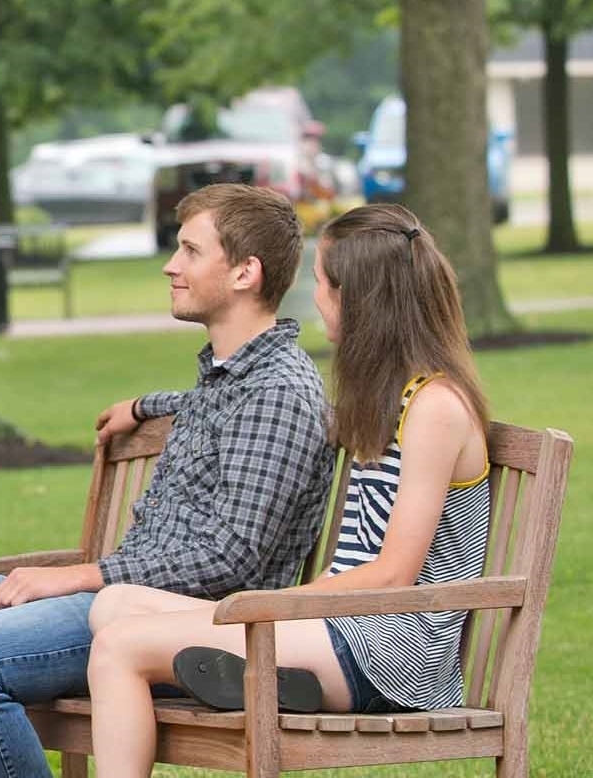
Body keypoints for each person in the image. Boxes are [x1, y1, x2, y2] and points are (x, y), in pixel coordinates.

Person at [0, 183, 338, 777]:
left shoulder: (278, 393)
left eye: (191, 252)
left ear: (246, 272)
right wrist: (146, 405)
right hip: (110, 598)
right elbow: (204, 405)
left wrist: (79, 575)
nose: (171, 266)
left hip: (170, 623)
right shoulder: (229, 379)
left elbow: (230, 558)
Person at [84, 204, 492, 777]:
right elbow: (251, 406)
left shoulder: (434, 408)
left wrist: (274, 609)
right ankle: (278, 681)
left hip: (391, 652)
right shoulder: (387, 396)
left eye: (323, 283)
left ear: (360, 299)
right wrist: (143, 406)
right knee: (115, 604)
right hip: (339, 624)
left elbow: (396, 574)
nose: (316, 297)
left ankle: (269, 677)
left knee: (119, 648)